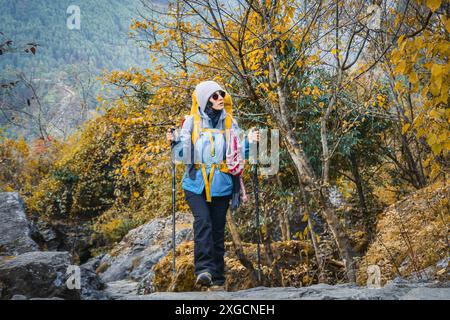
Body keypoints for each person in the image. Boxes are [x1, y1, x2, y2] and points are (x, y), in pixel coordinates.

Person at [167, 80, 259, 290]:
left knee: (217, 229)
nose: (220, 99)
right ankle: (203, 270)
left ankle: (217, 277)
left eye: (221, 95)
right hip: (195, 184)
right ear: (203, 100)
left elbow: (239, 154)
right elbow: (181, 155)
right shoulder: (191, 122)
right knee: (203, 222)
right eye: (215, 96)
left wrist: (250, 142)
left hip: (222, 185)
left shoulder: (230, 123)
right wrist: (174, 142)